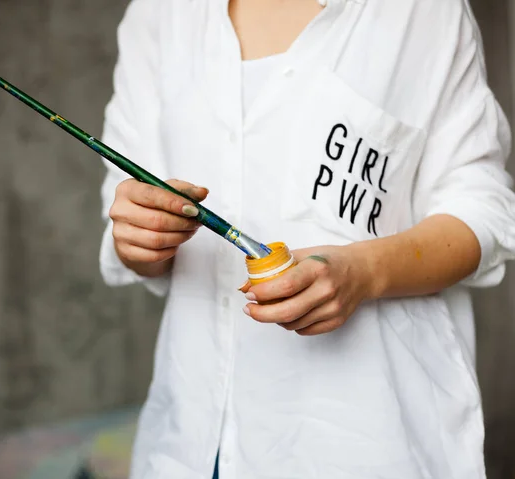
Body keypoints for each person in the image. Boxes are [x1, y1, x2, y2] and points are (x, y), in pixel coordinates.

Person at [98, 0, 515, 477]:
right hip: (193, 442)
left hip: (366, 441)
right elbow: (126, 219)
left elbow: (483, 208)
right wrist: (140, 236)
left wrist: (365, 272)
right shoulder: (159, 13)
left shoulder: (422, 12)